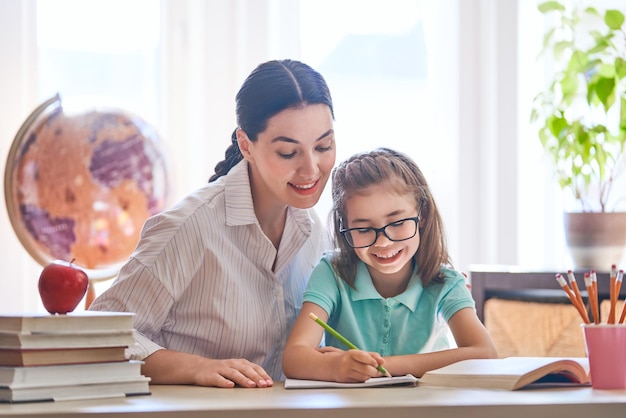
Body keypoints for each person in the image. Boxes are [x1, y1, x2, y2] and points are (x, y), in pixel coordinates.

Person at [89, 59, 337, 388]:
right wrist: (193, 368)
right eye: (288, 153)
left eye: (323, 147)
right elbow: (98, 336)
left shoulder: (313, 231)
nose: (311, 170)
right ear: (246, 145)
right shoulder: (189, 227)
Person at [282, 148, 497, 383]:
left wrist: (383, 366)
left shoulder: (445, 281)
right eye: (363, 229)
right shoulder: (332, 272)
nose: (384, 242)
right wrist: (336, 366)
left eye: (397, 222)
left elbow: (485, 354)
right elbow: (294, 359)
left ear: (422, 214)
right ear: (345, 228)